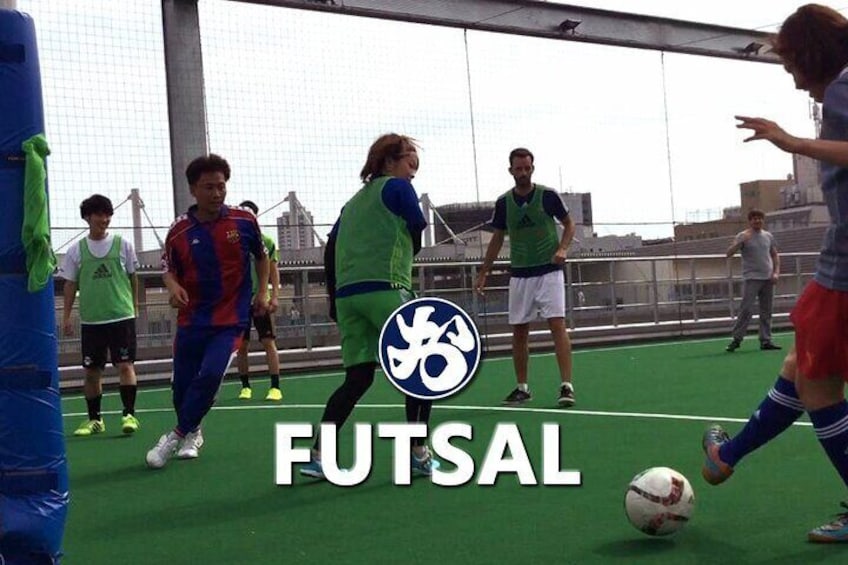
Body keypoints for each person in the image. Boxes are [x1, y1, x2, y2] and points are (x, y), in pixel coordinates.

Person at [702, 4, 848, 542]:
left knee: (818, 384)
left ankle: (728, 456)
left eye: (793, 67)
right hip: (839, 263)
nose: (794, 81)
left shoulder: (842, 89)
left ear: (813, 55)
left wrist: (794, 142)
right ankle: (726, 456)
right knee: (800, 365)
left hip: (846, 268)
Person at [300, 133, 439, 479]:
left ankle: (318, 454)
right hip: (387, 289)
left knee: (357, 379)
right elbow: (417, 229)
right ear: (389, 161)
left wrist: (334, 298)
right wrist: (408, 254)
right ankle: (418, 453)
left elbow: (330, 251)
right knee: (422, 372)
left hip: (348, 298)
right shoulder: (397, 188)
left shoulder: (352, 203)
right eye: (410, 163)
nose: (412, 173)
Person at [146, 154, 269, 469]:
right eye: (209, 187)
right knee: (181, 387)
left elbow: (261, 256)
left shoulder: (244, 220)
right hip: (192, 319)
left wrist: (264, 290)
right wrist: (173, 288)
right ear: (193, 190)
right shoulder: (179, 231)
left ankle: (173, 437)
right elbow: (168, 270)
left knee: (212, 374)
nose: (217, 193)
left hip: (231, 319)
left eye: (221, 186)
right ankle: (192, 431)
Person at [475, 147, 577, 407]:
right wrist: (484, 271)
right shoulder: (503, 203)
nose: (522, 173)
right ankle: (522, 388)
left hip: (549, 271)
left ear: (532, 168)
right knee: (519, 330)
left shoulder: (547, 196)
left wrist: (563, 248)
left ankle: (566, 385)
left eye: (527, 168)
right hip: (520, 274)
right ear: (510, 170)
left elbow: (569, 223)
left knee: (557, 324)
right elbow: (497, 238)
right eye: (518, 169)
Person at [60, 194, 141, 436]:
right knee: (92, 371)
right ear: (87, 217)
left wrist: (134, 306)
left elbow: (133, 277)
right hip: (92, 320)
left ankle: (129, 415)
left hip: (121, 317)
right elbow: (69, 285)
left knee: (125, 365)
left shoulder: (123, 244)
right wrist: (66, 317)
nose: (104, 219)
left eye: (108, 215)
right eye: (99, 215)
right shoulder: (76, 251)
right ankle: (95, 420)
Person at [234, 200, 283, 402]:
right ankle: (245, 386)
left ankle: (275, 386)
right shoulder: (234, 242)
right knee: (242, 346)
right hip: (239, 300)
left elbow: (273, 271)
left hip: (260, 299)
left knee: (268, 342)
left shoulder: (267, 242)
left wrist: (274, 296)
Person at [725, 209, 781, 352]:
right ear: (750, 221)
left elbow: (774, 255)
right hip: (751, 278)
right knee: (746, 309)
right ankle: (737, 339)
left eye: (760, 218)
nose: (757, 221)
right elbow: (729, 253)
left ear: (763, 220)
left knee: (766, 310)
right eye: (754, 219)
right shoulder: (743, 235)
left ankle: (766, 340)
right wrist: (742, 241)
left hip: (768, 278)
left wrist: (776, 272)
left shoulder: (768, 236)